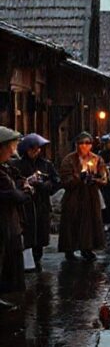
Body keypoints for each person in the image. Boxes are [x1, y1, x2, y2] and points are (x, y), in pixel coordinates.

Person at [10, 133, 60, 272]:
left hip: (41, 203)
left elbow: (55, 181)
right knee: (27, 232)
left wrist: (45, 185)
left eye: (38, 148)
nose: (36, 151)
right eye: (33, 148)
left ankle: (37, 258)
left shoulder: (46, 164)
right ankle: (27, 260)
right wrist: (26, 183)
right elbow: (14, 181)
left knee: (41, 232)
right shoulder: (17, 164)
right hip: (26, 205)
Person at [58, 132, 108, 262]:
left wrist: (95, 180)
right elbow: (65, 180)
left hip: (90, 196)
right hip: (74, 196)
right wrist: (79, 177)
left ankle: (87, 247)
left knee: (89, 222)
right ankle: (69, 249)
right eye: (81, 143)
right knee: (72, 221)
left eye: (87, 143)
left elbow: (104, 178)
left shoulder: (96, 159)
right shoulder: (69, 160)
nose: (84, 146)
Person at [0, 127, 29, 308]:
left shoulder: (5, 168)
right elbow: (12, 195)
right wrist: (25, 191)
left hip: (8, 221)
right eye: (10, 147)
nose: (13, 151)